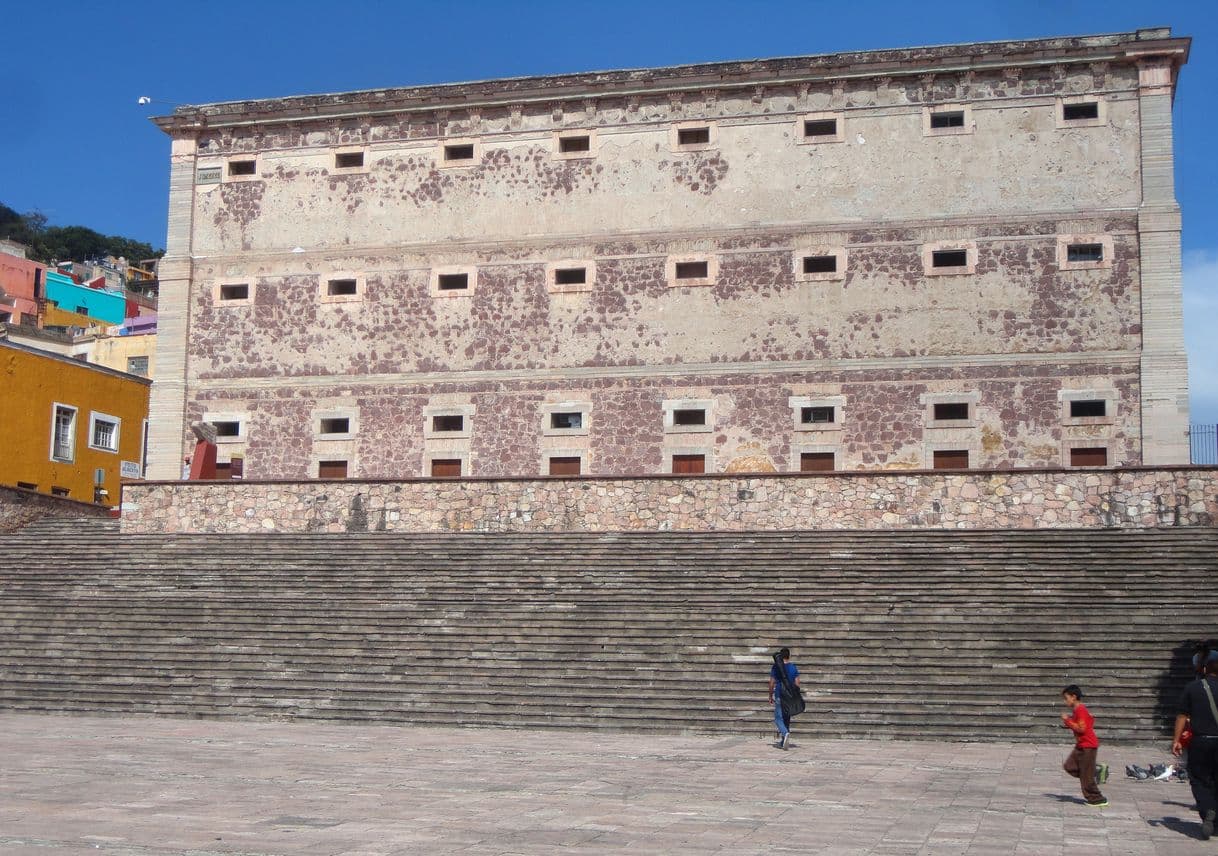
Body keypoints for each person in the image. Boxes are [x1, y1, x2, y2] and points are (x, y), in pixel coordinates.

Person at [1173, 647, 1218, 840]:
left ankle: (1208, 810)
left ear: (1205, 669)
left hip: (1200, 741)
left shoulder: (1193, 688)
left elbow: (1182, 715)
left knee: (1199, 779)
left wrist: (1176, 740)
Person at [1061, 684, 1107, 807]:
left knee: (1086, 776)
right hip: (1081, 745)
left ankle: (1097, 799)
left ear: (1074, 697)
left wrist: (1067, 720)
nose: (1065, 701)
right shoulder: (1077, 710)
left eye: (1066, 698)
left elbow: (1081, 728)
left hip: (1088, 745)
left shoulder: (1080, 709)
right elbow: (1090, 721)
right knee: (1069, 766)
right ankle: (1094, 771)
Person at [768, 647, 800, 750]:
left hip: (779, 695)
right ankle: (783, 741)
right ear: (789, 656)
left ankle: (785, 733)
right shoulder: (793, 667)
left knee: (778, 718)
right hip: (790, 696)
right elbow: (797, 683)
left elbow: (772, 683)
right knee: (786, 718)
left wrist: (770, 695)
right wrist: (796, 695)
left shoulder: (776, 667)